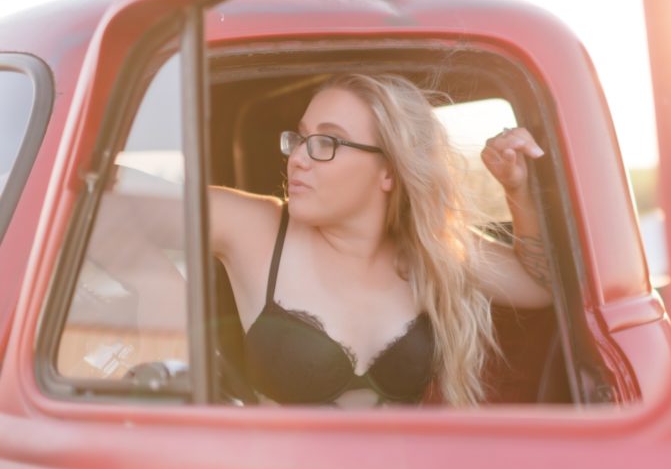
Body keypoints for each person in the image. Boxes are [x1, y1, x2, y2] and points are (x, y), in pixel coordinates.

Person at [209, 74, 552, 408]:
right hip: (281, 468)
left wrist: (516, 188)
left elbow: (540, 288)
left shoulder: (434, 246)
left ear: (388, 170)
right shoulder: (256, 227)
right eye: (300, 138)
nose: (297, 158)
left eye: (327, 142)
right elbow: (152, 208)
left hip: (405, 467)